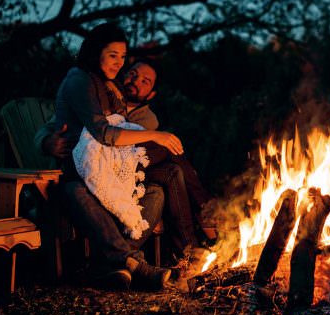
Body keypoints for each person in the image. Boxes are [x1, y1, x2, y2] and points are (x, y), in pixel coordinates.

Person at [38, 51, 213, 282]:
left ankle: (113, 262)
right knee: (171, 164)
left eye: (145, 81)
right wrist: (46, 142)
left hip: (126, 178)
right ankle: (184, 238)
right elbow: (47, 129)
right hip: (88, 174)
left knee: (161, 184)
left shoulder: (148, 120)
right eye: (133, 74)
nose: (135, 81)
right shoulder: (94, 98)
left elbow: (127, 155)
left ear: (151, 94)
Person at [50, 22, 182, 290]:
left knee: (155, 192)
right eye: (113, 55)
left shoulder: (110, 86)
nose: (119, 63)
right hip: (78, 175)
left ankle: (106, 266)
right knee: (75, 191)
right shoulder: (79, 80)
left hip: (110, 174)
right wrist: (155, 135)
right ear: (95, 51)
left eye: (122, 57)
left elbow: (119, 129)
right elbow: (104, 133)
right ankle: (134, 263)